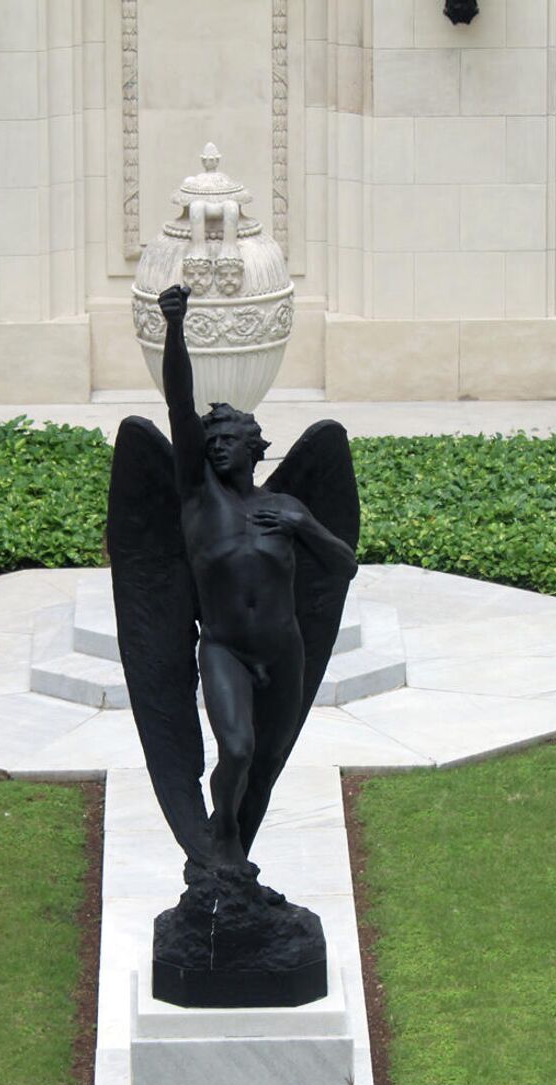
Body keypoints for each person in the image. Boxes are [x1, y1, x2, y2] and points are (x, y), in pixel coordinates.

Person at [155, 283, 357, 865]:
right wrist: (175, 327)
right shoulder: (199, 501)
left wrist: (306, 527)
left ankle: (237, 855)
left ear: (254, 448)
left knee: (265, 767)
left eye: (228, 440)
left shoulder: (286, 508)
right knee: (237, 750)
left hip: (284, 650)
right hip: (225, 650)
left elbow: (344, 567)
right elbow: (177, 404)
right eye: (210, 440)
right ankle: (220, 839)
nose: (216, 448)